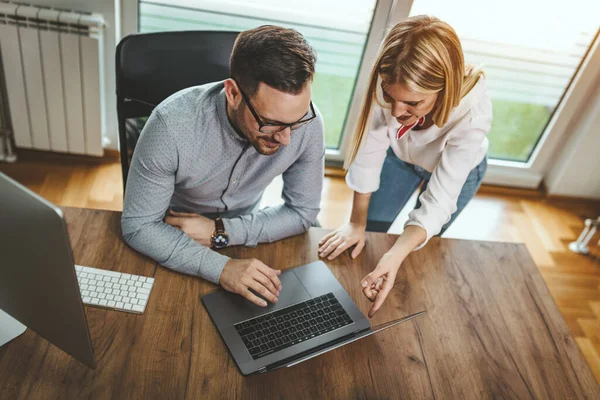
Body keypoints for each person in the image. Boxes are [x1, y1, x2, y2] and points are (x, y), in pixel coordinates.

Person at [122, 26, 325, 308]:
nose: (287, 138)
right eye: (271, 122)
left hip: (247, 228)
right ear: (233, 93)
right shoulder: (169, 127)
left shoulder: (309, 124)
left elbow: (304, 212)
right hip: (175, 233)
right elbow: (139, 226)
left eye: (297, 120)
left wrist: (222, 231)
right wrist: (222, 268)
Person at [319, 15, 492, 317]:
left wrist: (394, 255)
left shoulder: (473, 116)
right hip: (399, 159)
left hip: (459, 173)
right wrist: (356, 223)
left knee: (418, 245)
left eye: (412, 103)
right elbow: (369, 154)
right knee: (370, 231)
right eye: (390, 96)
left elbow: (438, 204)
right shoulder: (390, 80)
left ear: (444, 88)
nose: (396, 111)